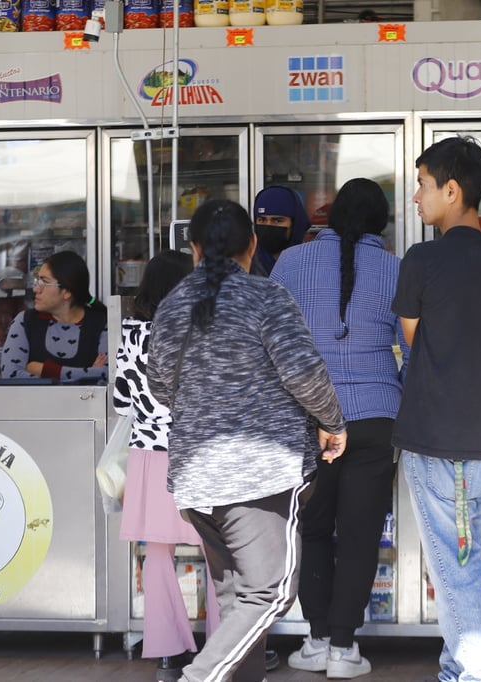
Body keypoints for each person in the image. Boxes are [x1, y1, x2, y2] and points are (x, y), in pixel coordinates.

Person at [147, 199, 348, 682]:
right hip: (261, 474)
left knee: (237, 598)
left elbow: (157, 386)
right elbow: (304, 374)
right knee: (271, 592)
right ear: (252, 244)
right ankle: (198, 677)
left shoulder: (172, 306)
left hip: (197, 480)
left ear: (193, 248)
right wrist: (333, 422)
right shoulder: (266, 298)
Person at [391, 136, 481, 682]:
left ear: (452, 191)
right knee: (461, 565)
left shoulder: (423, 260)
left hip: (438, 446)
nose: (416, 197)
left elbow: (412, 339)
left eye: (424, 186)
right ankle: (457, 672)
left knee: (457, 573)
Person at [270, 178, 409, 679]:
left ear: (329, 218)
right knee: (360, 535)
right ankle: (345, 650)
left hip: (309, 418)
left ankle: (318, 638)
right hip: (376, 417)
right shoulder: (395, 269)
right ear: (380, 224)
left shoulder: (290, 263)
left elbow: (274, 346)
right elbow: (412, 349)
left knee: (311, 529)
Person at [114, 250, 219, 682]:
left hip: (148, 452)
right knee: (219, 551)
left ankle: (166, 651)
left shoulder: (132, 332)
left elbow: (122, 400)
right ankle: (224, 643)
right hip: (199, 450)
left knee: (158, 551)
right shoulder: (203, 328)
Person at [250, 183, 313, 672]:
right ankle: (252, 643)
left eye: (278, 223)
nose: (268, 230)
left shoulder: (302, 266)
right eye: (261, 222)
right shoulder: (254, 272)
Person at [0, 250, 107, 384]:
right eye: (36, 281)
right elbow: (11, 376)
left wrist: (43, 369)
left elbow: (109, 374)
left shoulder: (102, 323)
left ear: (67, 292)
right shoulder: (25, 322)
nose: (35, 289)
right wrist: (87, 374)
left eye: (44, 282)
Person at [251, 185, 311, 277]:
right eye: (262, 220)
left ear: (295, 224)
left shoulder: (310, 264)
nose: (268, 225)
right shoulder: (246, 264)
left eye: (277, 220)